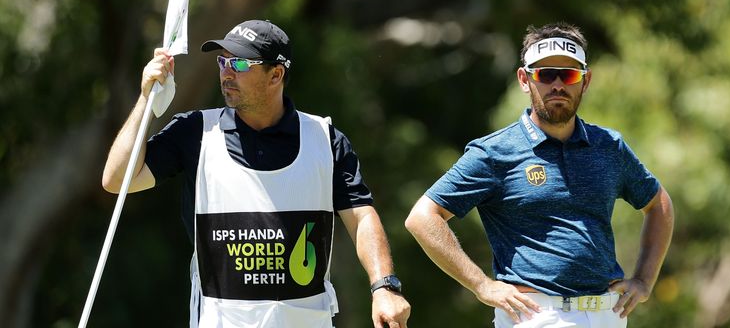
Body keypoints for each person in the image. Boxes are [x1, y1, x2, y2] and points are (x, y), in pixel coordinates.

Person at [102, 20, 410, 328]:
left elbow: (362, 217)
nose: (226, 71)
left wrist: (384, 286)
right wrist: (146, 101)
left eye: (239, 62)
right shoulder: (195, 131)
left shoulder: (325, 139)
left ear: (276, 74)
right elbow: (117, 180)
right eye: (222, 61)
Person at [405, 22, 674, 328]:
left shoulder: (609, 146)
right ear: (524, 79)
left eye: (569, 75)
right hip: (534, 315)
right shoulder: (495, 152)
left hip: (607, 314)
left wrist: (643, 280)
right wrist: (481, 285)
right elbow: (423, 217)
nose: (557, 85)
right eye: (546, 74)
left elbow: (658, 205)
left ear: (585, 82)